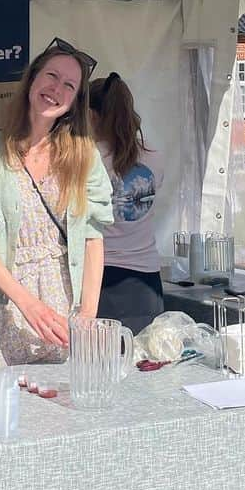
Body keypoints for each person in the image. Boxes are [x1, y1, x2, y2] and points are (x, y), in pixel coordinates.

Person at [0, 38, 113, 367]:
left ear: (74, 102)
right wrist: (27, 305)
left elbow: (94, 237)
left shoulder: (84, 156)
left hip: (66, 316)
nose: (56, 89)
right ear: (32, 78)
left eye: (69, 85)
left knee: (65, 413)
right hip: (10, 309)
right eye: (51, 76)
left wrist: (87, 314)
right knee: (5, 413)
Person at [89, 72, 165, 334]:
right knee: (146, 367)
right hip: (147, 281)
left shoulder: (88, 159)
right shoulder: (155, 156)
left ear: (92, 116)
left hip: (99, 279)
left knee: (100, 369)